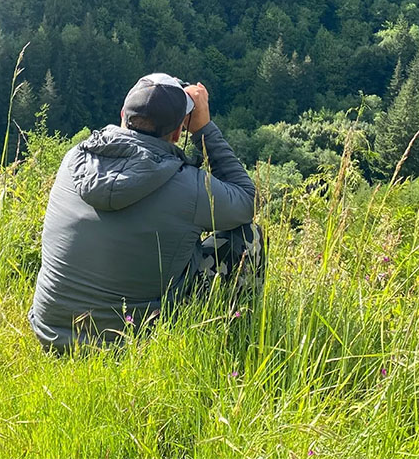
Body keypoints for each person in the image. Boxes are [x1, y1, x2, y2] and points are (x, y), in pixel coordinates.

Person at [29, 73, 263, 353]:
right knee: (248, 236)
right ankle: (236, 340)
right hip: (131, 347)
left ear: (122, 115)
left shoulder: (74, 159)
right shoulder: (189, 186)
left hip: (50, 334)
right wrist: (204, 130)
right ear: (178, 133)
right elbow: (247, 200)